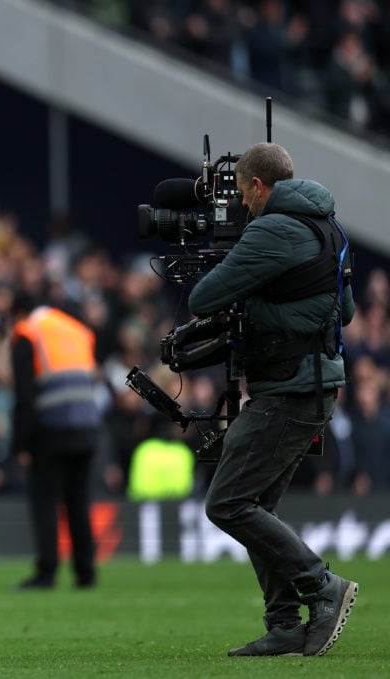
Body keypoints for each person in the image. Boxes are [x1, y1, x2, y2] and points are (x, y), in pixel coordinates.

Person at [188, 142, 357, 657]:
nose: (240, 203)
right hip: (314, 384)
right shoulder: (327, 225)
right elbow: (345, 312)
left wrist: (253, 301)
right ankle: (284, 624)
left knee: (227, 502)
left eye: (241, 192)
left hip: (289, 389)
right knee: (257, 504)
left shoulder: (274, 229)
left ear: (259, 186)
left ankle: (321, 585)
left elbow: (202, 298)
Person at [9, 292, 101, 590]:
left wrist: (21, 445)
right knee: (78, 501)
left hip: (51, 429)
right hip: (87, 427)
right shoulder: (77, 330)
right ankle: (85, 571)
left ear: (20, 313)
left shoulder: (27, 333)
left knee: (45, 501)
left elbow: (25, 397)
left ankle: (46, 571)